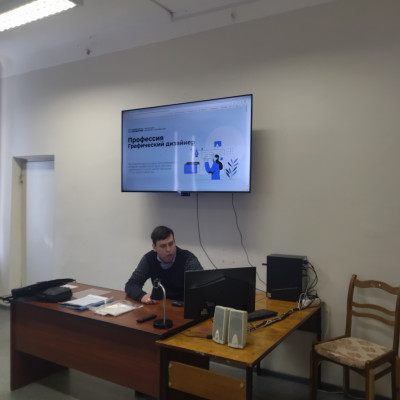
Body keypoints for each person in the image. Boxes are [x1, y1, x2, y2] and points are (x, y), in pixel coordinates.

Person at [125, 226, 203, 304]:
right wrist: (142, 296)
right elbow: (131, 284)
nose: (168, 249)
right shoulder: (149, 259)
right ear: (154, 247)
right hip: (159, 304)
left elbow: (201, 286)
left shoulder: (187, 258)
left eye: (171, 244)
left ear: (175, 242)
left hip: (182, 306)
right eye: (163, 246)